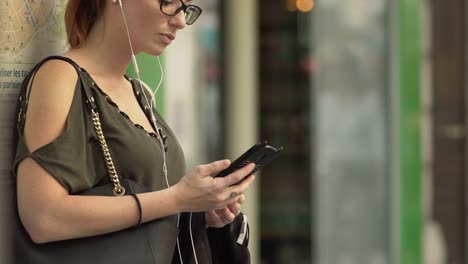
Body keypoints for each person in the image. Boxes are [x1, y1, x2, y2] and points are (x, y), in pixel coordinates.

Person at [11, 0, 255, 263]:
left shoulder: (142, 93)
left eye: (187, 8)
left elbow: (155, 207)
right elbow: (43, 218)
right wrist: (177, 199)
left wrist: (198, 209)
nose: (181, 21)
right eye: (169, 2)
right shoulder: (60, 77)